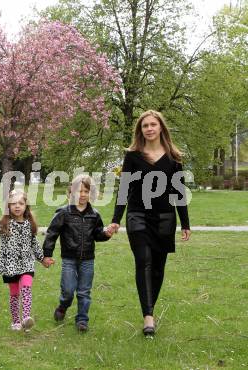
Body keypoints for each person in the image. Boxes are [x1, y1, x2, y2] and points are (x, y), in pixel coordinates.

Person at [108, 110, 191, 336]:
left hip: (165, 217)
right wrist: (116, 219)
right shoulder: (133, 156)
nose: (150, 129)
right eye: (145, 126)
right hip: (138, 215)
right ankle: (148, 317)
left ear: (161, 128)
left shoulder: (174, 158)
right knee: (143, 260)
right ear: (141, 130)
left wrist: (185, 223)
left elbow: (179, 193)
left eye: (153, 125)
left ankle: (149, 308)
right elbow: (124, 189)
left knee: (158, 268)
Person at [0, 189, 51, 331]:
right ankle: (16, 322)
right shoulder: (4, 224)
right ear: (8, 206)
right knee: (14, 294)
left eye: (20, 203)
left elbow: (34, 244)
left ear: (26, 206)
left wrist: (42, 259)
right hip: (10, 265)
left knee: (26, 288)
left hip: (27, 264)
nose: (17, 206)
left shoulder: (29, 225)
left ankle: (26, 319)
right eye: (13, 203)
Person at [42, 174, 113, 332]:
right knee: (68, 290)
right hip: (69, 259)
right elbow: (52, 233)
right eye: (79, 191)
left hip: (88, 259)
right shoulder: (63, 213)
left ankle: (82, 320)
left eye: (86, 191)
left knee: (84, 291)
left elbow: (97, 234)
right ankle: (63, 306)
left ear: (91, 193)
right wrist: (47, 254)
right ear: (71, 192)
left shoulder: (94, 215)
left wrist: (106, 234)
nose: (82, 194)